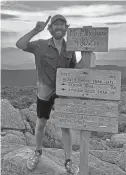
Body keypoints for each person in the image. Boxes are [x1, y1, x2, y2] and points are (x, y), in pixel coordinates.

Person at [16, 14, 79, 174]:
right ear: (50, 28)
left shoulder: (70, 48)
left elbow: (73, 69)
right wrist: (36, 30)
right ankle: (37, 152)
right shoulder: (40, 45)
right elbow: (20, 44)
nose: (58, 27)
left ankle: (68, 160)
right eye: (55, 24)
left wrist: (89, 57)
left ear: (66, 28)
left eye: (62, 24)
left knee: (65, 127)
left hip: (62, 92)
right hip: (44, 92)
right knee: (41, 122)